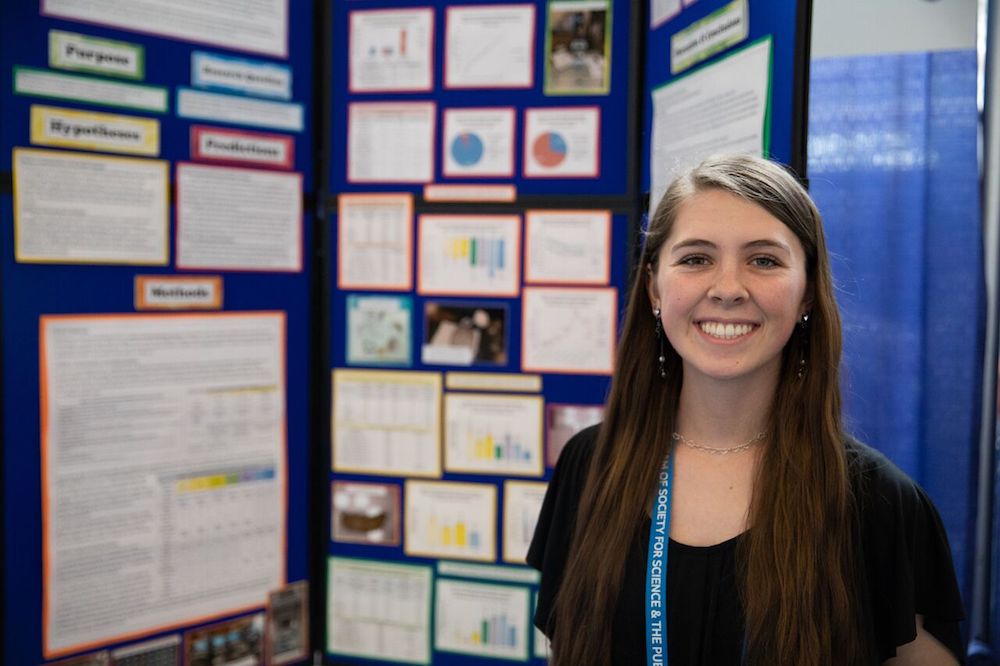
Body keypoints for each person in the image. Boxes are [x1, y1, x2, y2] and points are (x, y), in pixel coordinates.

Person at [527, 154, 965, 665]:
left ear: (806, 293)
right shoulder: (589, 465)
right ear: (653, 288)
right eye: (695, 258)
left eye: (764, 260)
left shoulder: (877, 502)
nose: (728, 289)